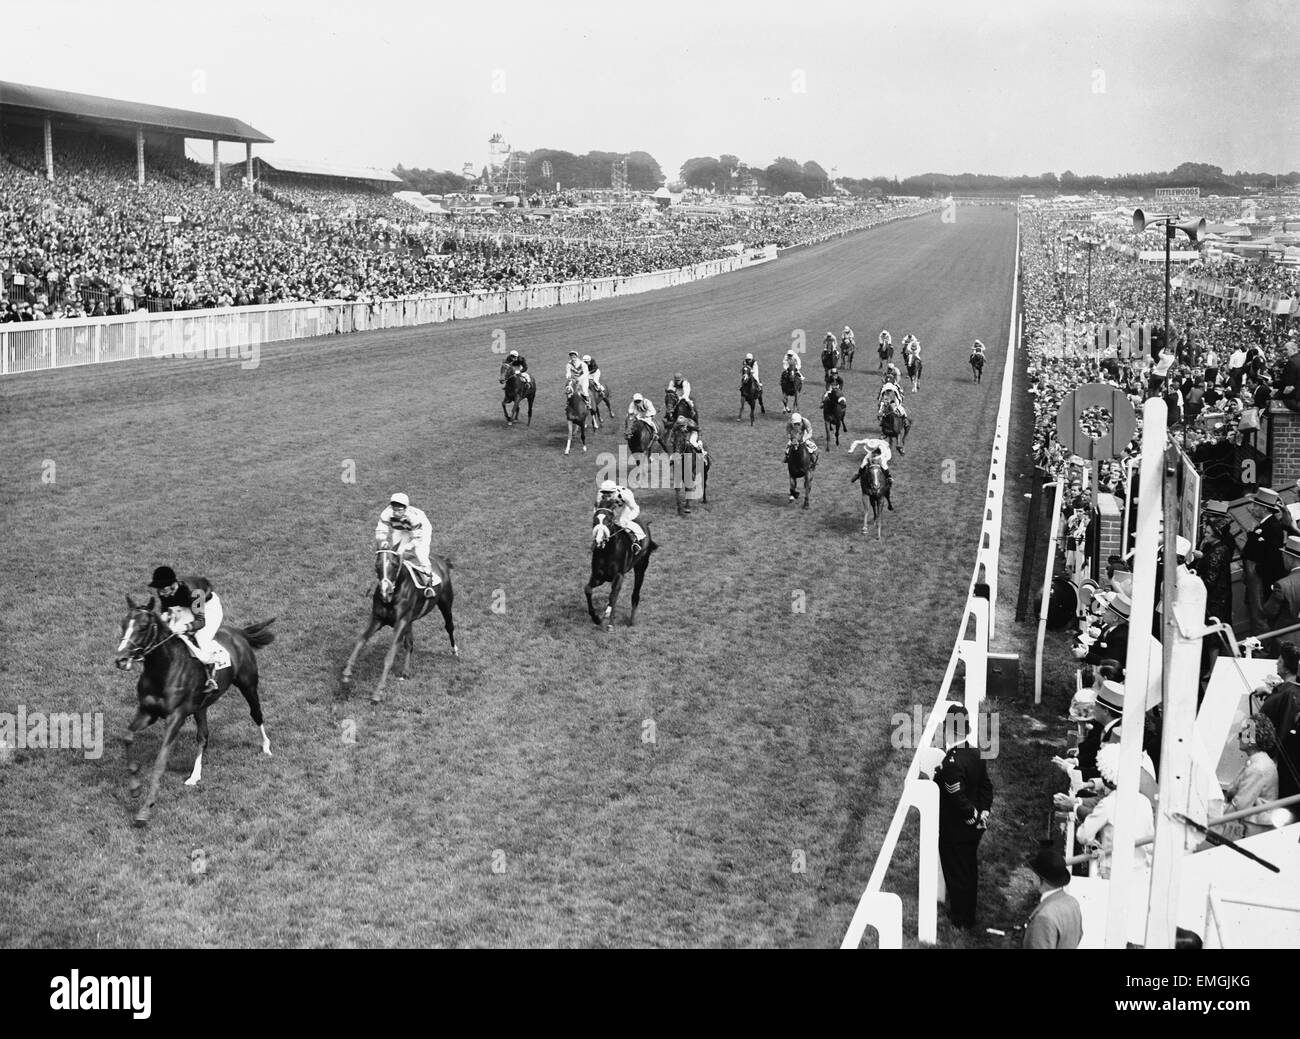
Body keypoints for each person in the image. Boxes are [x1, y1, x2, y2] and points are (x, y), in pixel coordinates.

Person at [933, 703, 993, 930]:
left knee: (957, 872)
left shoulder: (952, 761)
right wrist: (984, 812)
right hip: (975, 827)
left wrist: (974, 816)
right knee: (968, 869)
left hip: (958, 827)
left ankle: (960, 918)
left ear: (950, 730)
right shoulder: (976, 753)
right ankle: (967, 913)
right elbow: (986, 786)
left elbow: (957, 797)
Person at [1074, 743, 1154, 879]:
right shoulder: (1144, 801)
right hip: (1142, 870)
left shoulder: (1108, 804)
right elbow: (1150, 840)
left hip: (1112, 871)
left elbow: (1083, 835)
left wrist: (1093, 840)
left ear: (1105, 779)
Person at [148, 566, 223, 692]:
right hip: (187, 606)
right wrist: (165, 616)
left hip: (208, 608)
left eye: (162, 589)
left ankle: (212, 674)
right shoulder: (165, 591)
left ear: (172, 585)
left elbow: (200, 621)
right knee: (170, 631)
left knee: (201, 638)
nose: (160, 593)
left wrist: (185, 627)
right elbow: (165, 608)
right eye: (159, 589)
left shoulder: (195, 592)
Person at [1258, 642, 1300, 816]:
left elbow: (1281, 727)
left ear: (1286, 665)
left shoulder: (1287, 694)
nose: (1276, 662)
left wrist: (1248, 744)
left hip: (1270, 758)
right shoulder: (1284, 692)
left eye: (1279, 659)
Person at [1223, 716, 1280, 838]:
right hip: (1256, 825)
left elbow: (1239, 805)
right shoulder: (1262, 761)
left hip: (1252, 829)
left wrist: (1213, 817)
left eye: (1241, 733)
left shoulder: (1257, 768)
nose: (1238, 737)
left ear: (1251, 739)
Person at [374, 492, 439, 597]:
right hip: (401, 528)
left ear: (405, 508)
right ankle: (393, 579)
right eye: (394, 509)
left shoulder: (413, 517)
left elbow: (418, 538)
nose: (396, 513)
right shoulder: (386, 513)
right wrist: (383, 541)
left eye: (399, 510)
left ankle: (429, 583)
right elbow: (381, 529)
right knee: (396, 554)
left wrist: (408, 546)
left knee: (420, 552)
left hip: (421, 530)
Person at [1022, 845, 1083, 950]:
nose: (1032, 877)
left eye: (1034, 873)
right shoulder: (1072, 902)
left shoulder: (1044, 917)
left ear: (1039, 878)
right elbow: (1079, 935)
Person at [595, 479, 646, 552]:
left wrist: (628, 518)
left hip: (624, 506)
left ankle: (636, 540)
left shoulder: (625, 495)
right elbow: (596, 508)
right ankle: (599, 540)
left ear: (614, 492)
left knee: (621, 521)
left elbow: (635, 509)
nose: (606, 496)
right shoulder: (600, 494)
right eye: (604, 493)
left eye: (609, 494)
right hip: (610, 507)